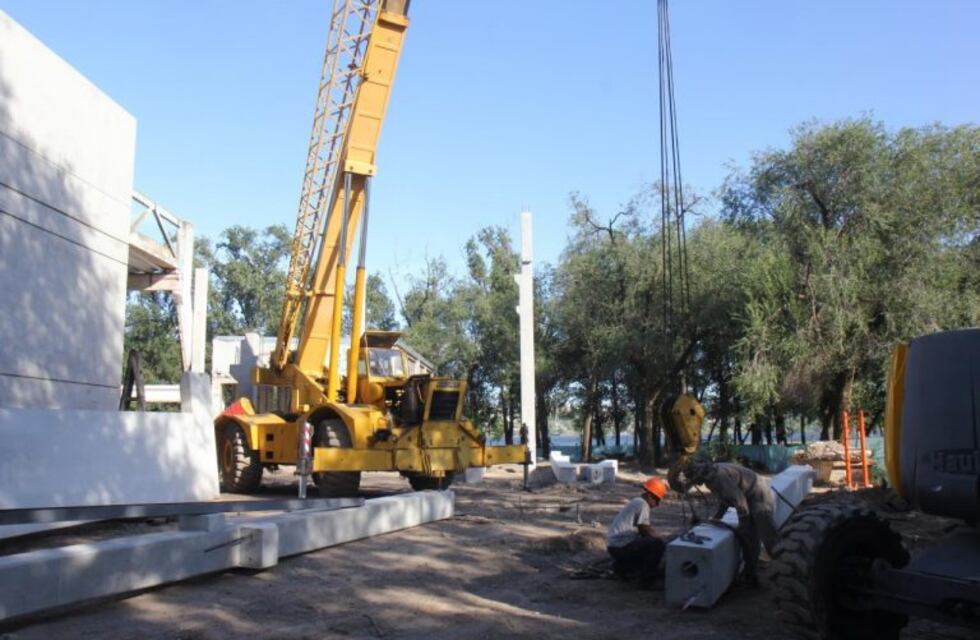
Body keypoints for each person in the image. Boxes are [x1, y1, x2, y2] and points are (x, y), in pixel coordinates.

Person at [685, 461, 777, 585]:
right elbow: (726, 498)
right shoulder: (711, 474)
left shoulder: (718, 478)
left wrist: (743, 524)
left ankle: (783, 569)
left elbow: (739, 501)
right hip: (748, 493)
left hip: (759, 495)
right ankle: (750, 574)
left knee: (766, 536)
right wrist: (718, 517)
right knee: (750, 537)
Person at [606, 477, 668, 588]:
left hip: (614, 546)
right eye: (657, 500)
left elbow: (644, 529)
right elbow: (644, 529)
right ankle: (647, 582)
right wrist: (661, 541)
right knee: (657, 545)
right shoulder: (643, 504)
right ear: (650, 496)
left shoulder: (637, 501)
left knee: (647, 544)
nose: (657, 504)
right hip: (621, 546)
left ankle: (621, 567)